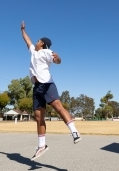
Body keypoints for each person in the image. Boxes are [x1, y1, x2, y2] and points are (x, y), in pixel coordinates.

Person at [20, 21, 81, 161]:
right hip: (36, 87)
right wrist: (23, 30)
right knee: (38, 116)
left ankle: (75, 132)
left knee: (58, 107)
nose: (35, 42)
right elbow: (27, 40)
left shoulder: (46, 52)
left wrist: (57, 58)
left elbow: (57, 60)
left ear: (42, 43)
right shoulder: (33, 52)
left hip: (47, 84)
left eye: (38, 41)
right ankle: (42, 146)